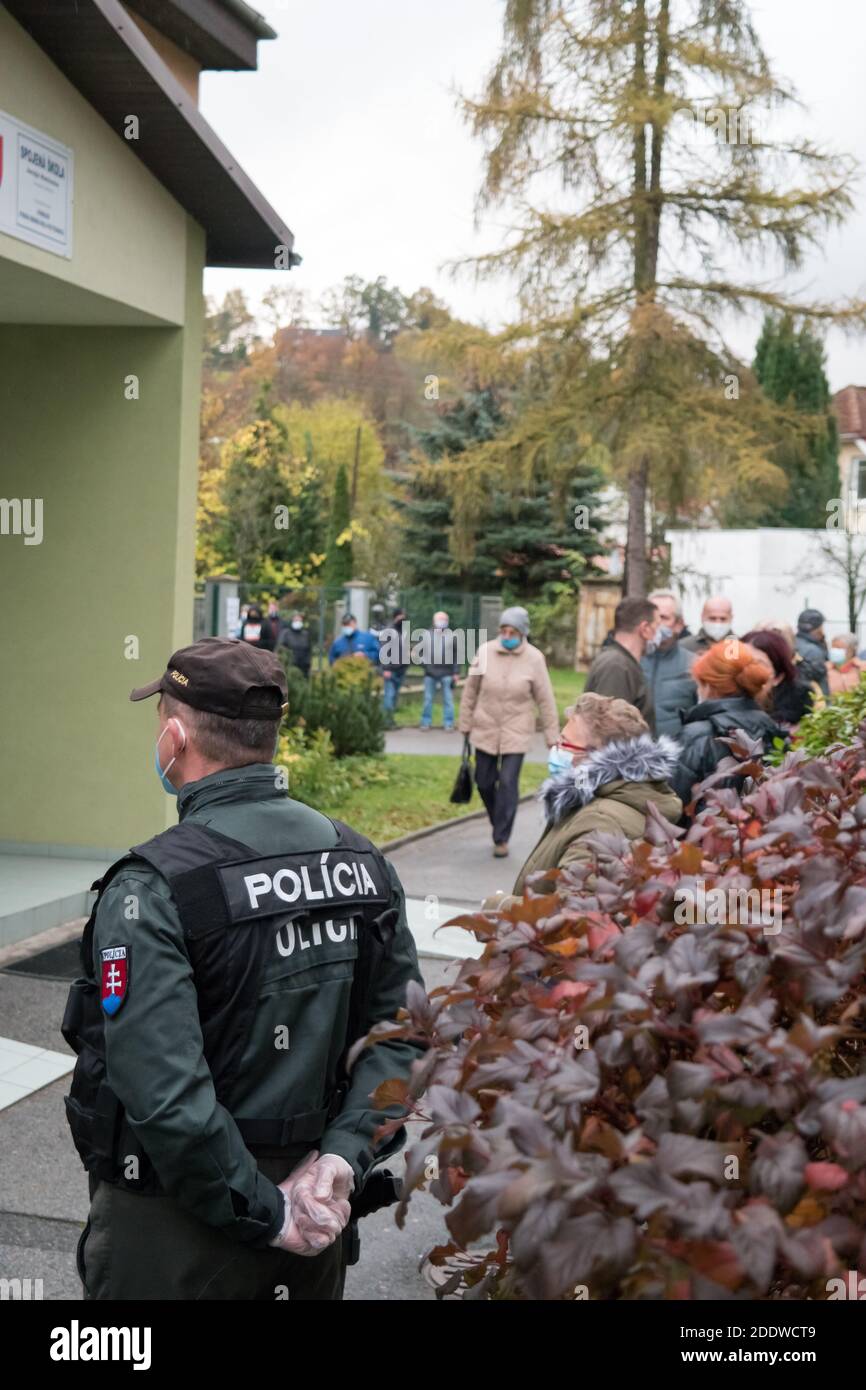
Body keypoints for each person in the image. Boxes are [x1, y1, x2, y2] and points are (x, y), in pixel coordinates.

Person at [63, 637, 424, 1301]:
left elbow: (163, 1090)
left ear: (175, 737)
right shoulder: (362, 864)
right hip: (317, 1222)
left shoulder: (154, 887)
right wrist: (342, 1159)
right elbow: (402, 1036)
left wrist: (265, 1209)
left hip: (179, 1232)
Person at [486, 694, 681, 908]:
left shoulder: (599, 822)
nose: (556, 750)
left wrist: (499, 906)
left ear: (597, 757)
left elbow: (575, 914)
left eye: (565, 743)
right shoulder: (592, 799)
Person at [458, 606, 559, 857]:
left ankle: (501, 837)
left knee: (507, 782)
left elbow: (545, 699)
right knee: (483, 781)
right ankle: (498, 819)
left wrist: (552, 734)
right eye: (503, 630)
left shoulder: (534, 659)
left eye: (512, 631)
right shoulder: (484, 652)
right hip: (485, 727)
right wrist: (465, 722)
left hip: (517, 730)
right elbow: (470, 690)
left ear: (522, 632)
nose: (507, 635)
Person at [671, 640, 785, 813]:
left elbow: (674, 802)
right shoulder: (772, 729)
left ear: (707, 685)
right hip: (761, 834)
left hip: (706, 835)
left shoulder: (696, 735)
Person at [584, 597, 659, 731]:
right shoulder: (616, 666)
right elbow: (609, 729)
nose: (659, 635)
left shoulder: (623, 662)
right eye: (657, 627)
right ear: (645, 629)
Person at [641, 589, 697, 738]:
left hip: (677, 755)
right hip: (633, 754)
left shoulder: (694, 665)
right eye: (652, 617)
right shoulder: (630, 662)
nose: (657, 623)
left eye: (664, 617)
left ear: (679, 624)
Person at [741, 628, 812, 729]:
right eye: (742, 661)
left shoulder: (793, 719)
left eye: (758, 664)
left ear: (777, 677)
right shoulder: (719, 706)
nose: (747, 670)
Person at [420, 610, 462, 731]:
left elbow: (457, 656)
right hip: (430, 674)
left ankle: (448, 723)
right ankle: (425, 722)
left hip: (447, 673)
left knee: (448, 700)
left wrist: (456, 672)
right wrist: (426, 665)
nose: (442, 621)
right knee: (428, 700)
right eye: (440, 619)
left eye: (444, 619)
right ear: (434, 621)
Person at [379, 609, 409, 728]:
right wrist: (386, 669)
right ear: (395, 617)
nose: (403, 619)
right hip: (390, 670)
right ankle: (386, 721)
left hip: (401, 669)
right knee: (389, 696)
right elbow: (384, 650)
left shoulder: (404, 631)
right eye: (401, 617)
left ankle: (390, 721)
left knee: (394, 696)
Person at [795, 608, 830, 696]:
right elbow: (821, 683)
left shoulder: (790, 643)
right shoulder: (814, 651)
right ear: (818, 629)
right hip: (810, 701)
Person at [277, 611, 312, 679]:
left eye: (299, 620)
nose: (298, 621)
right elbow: (281, 649)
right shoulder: (286, 634)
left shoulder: (305, 634)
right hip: (290, 667)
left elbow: (309, 650)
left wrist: (308, 664)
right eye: (296, 620)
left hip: (304, 667)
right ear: (292, 621)